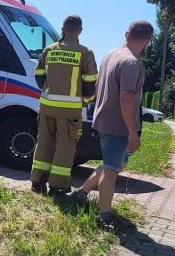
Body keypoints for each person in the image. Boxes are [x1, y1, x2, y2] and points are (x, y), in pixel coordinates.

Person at [69, 20, 154, 227]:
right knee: (111, 171)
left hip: (103, 120)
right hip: (119, 125)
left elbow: (98, 86)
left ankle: (80, 195)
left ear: (126, 33)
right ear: (148, 41)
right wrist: (133, 131)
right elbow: (125, 99)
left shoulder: (110, 55)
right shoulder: (131, 63)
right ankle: (105, 216)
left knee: (114, 163)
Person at [30, 15, 99, 195]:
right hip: (70, 112)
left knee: (44, 143)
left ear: (62, 29)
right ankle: (58, 186)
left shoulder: (49, 50)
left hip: (46, 108)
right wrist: (84, 101)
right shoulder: (85, 53)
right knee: (65, 147)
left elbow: (39, 78)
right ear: (80, 31)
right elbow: (90, 84)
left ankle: (37, 182)